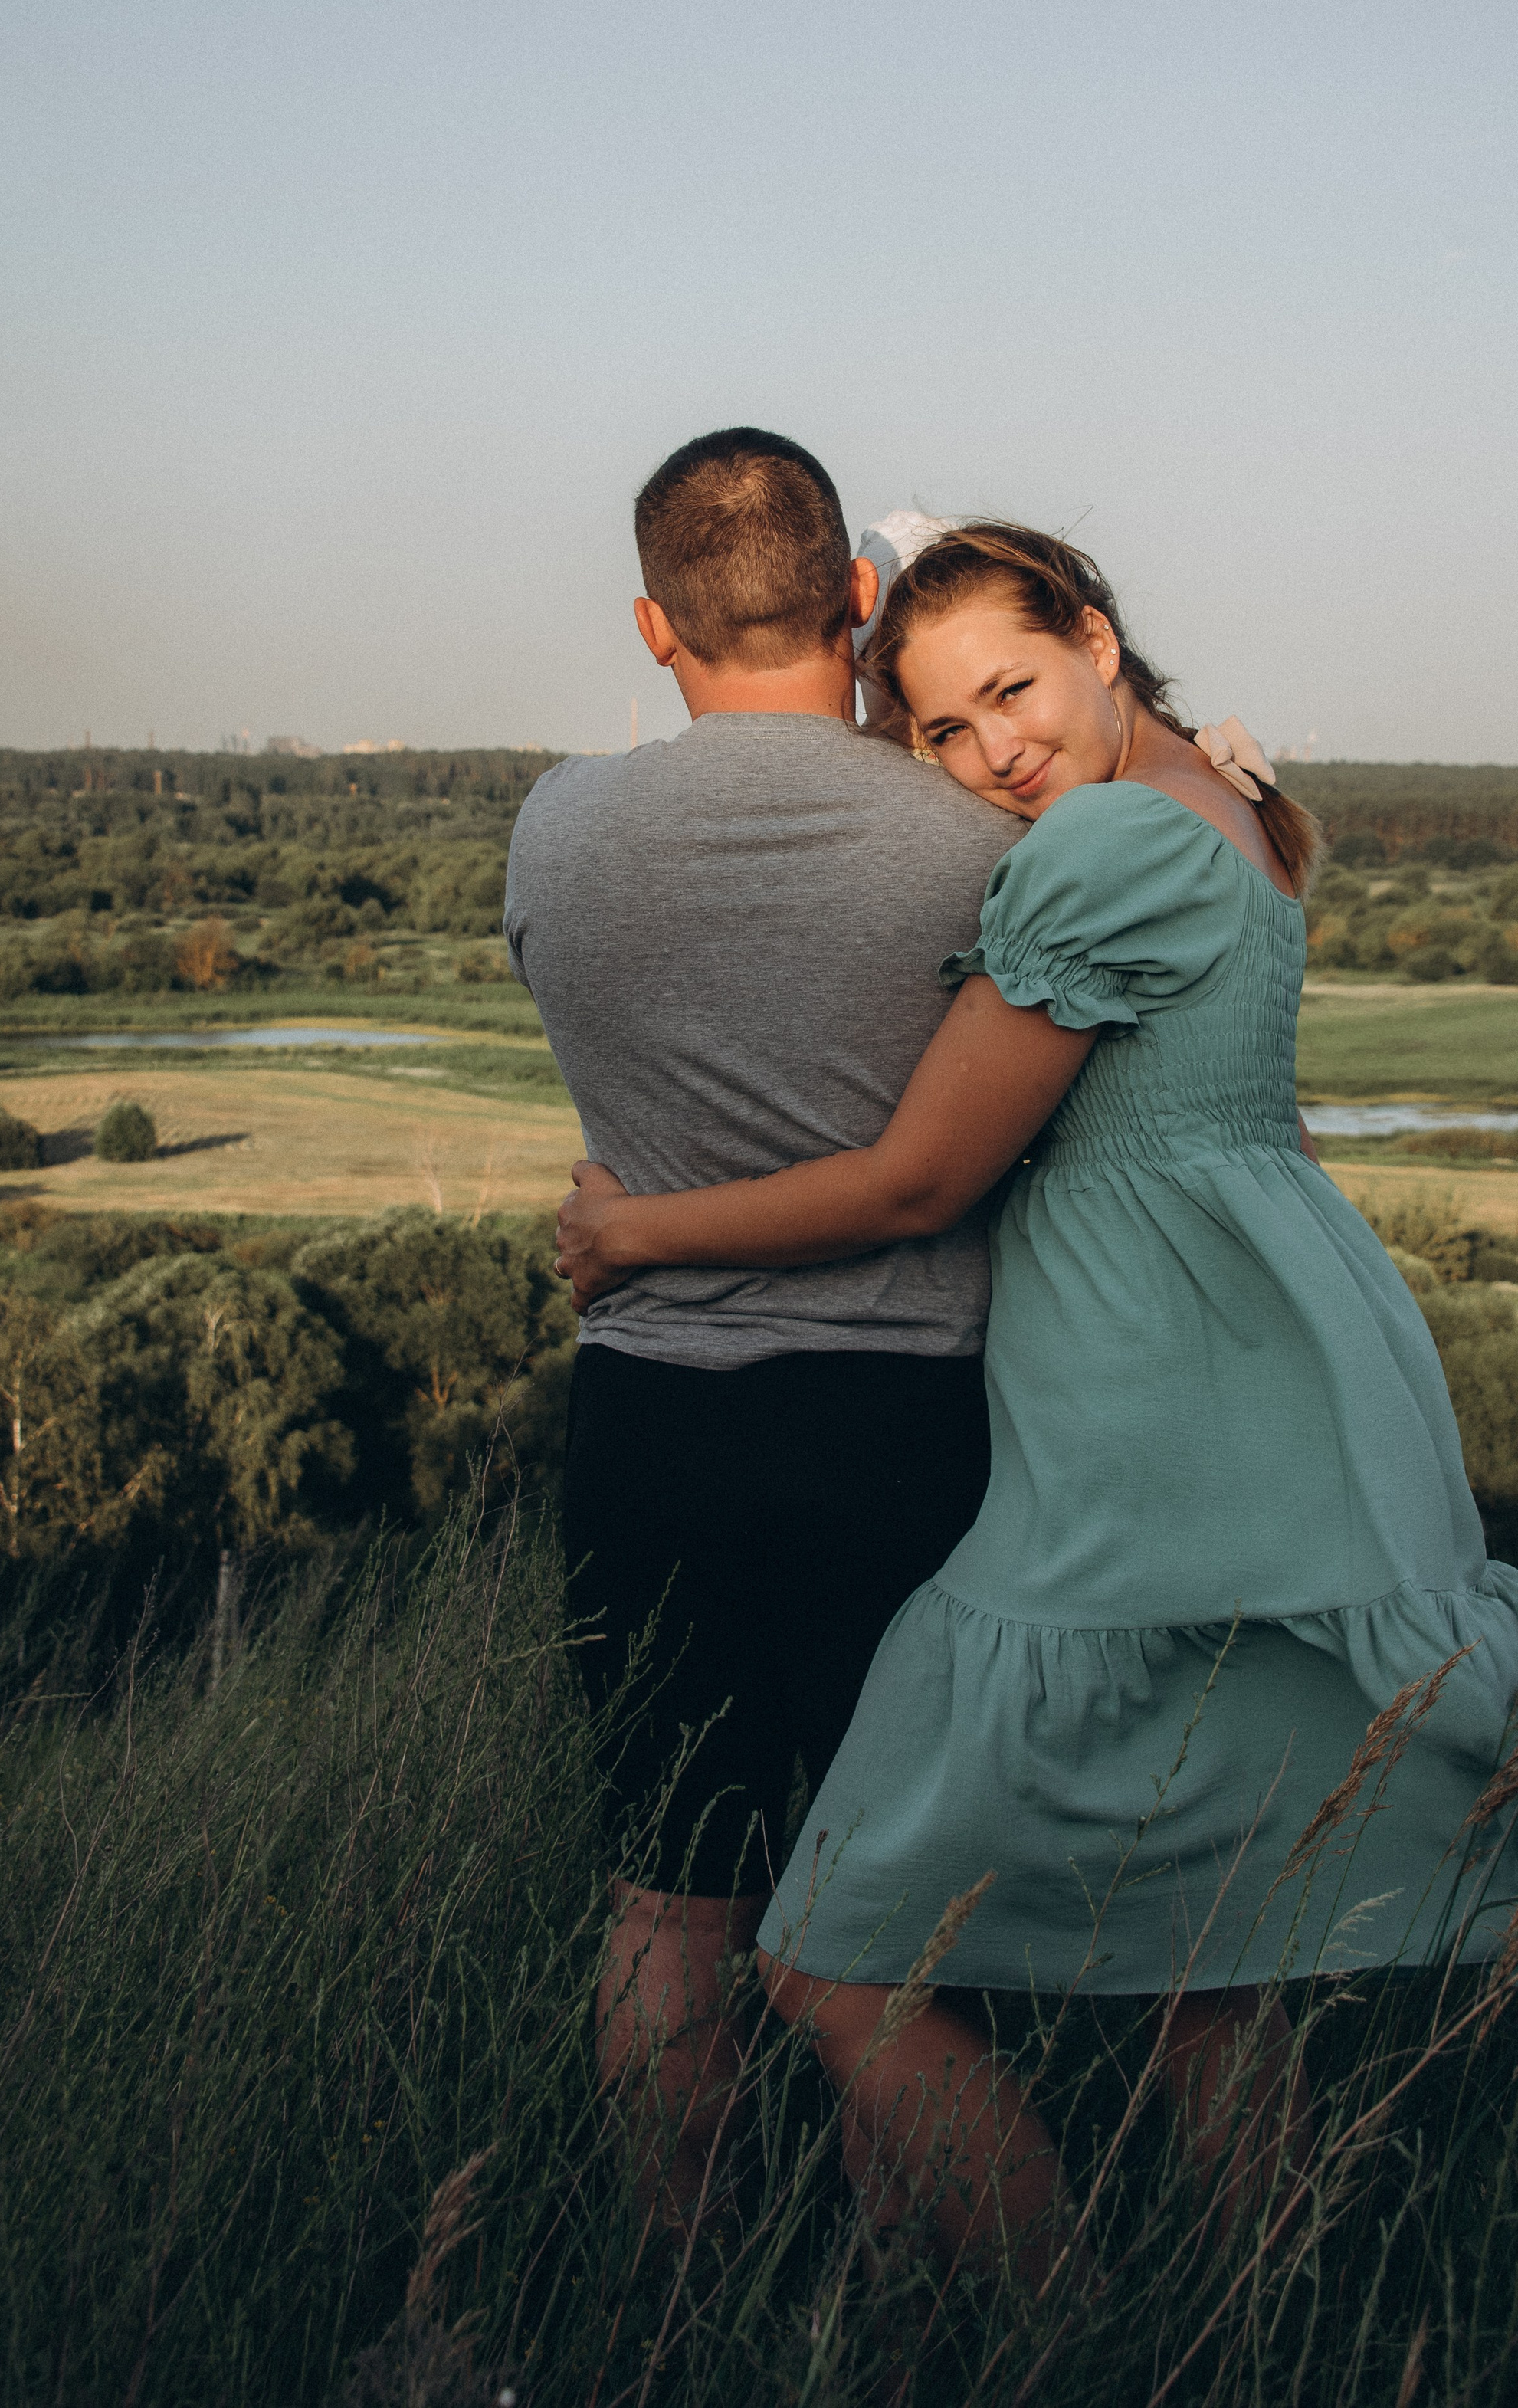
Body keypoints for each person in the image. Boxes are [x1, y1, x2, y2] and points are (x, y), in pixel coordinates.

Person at [556, 521, 1518, 2283]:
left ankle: (1056, 2333)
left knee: (827, 1955)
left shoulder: (1107, 846)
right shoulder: (1229, 800)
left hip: (1145, 1408)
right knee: (1203, 1966)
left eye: (1011, 694)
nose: (989, 758)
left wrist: (634, 1229)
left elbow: (915, 1182)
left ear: (1099, 643)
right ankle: (1255, 2337)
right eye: (942, 734)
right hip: (1265, 1373)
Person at [504, 436, 1020, 2241]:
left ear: (654, 627)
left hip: (649, 1419)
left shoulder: (557, 828)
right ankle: (895, 2330)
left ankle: (672, 2306)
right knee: (894, 1930)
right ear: (858, 600)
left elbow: (614, 1109)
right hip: (910, 1435)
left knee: (667, 1910)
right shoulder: (976, 846)